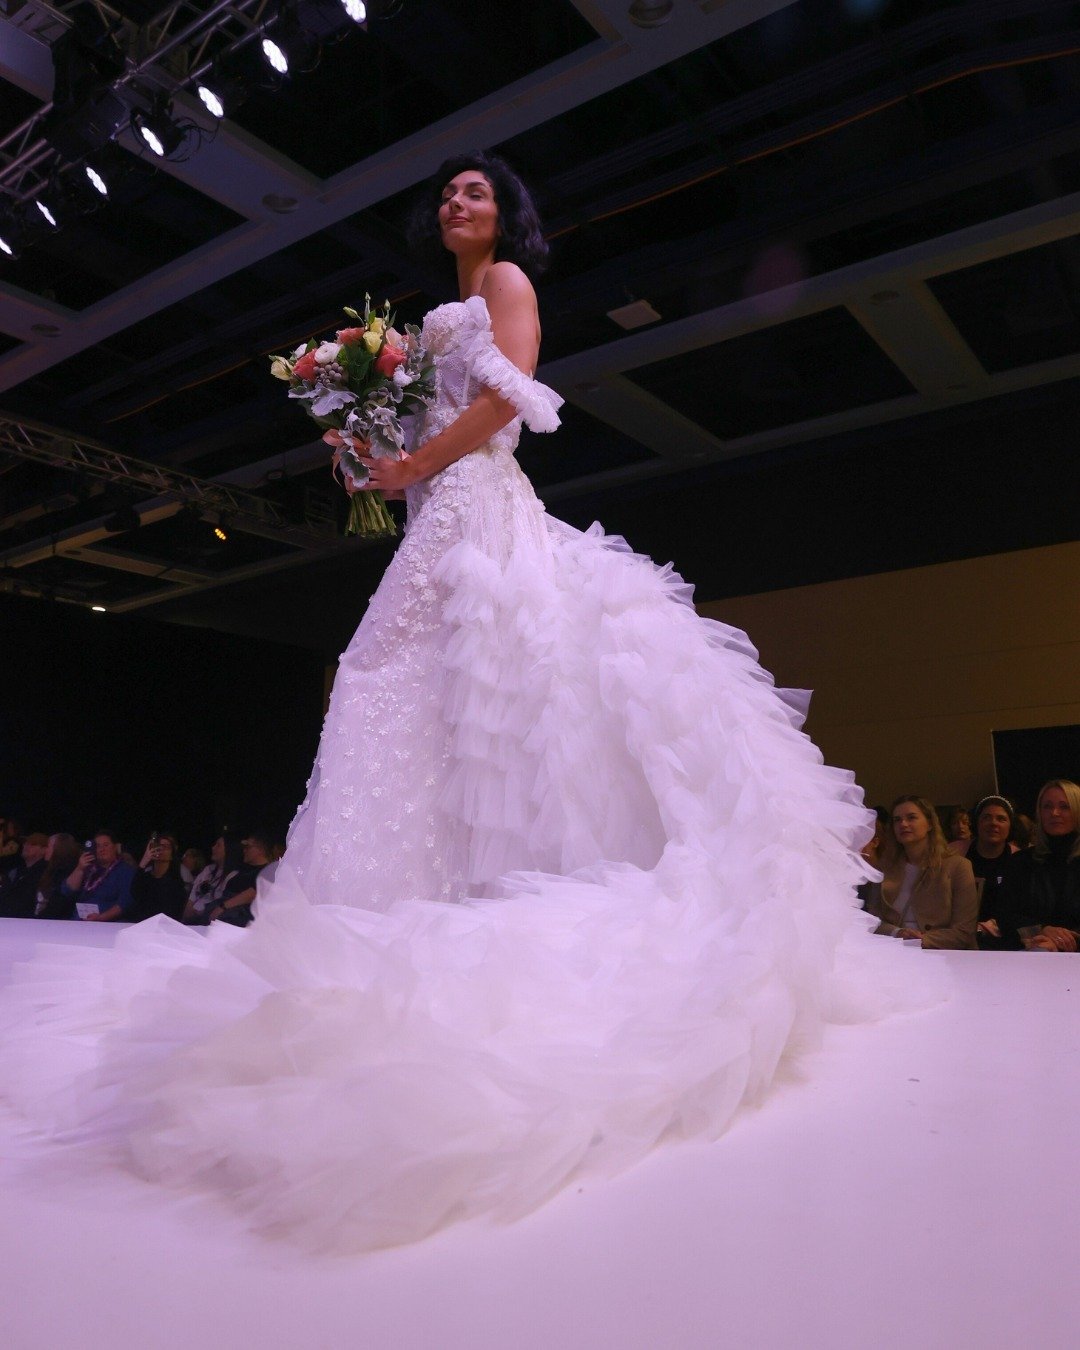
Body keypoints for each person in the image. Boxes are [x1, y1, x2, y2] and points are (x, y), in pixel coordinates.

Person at [0, 152, 936, 1254]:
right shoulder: (435, 310)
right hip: (437, 505)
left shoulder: (507, 290)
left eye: (478, 192)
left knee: (423, 672)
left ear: (508, 216)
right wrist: (371, 445)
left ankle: (480, 888)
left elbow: (509, 404)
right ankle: (415, 891)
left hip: (477, 504)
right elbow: (435, 418)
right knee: (423, 687)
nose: (458, 202)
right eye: (447, 193)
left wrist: (413, 467)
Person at [867, 795, 978, 949]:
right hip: (893, 952)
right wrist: (896, 933)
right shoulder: (883, 868)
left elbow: (964, 932)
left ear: (930, 824)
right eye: (897, 820)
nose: (903, 824)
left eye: (911, 818)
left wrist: (918, 941)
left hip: (944, 954)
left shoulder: (958, 866)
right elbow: (871, 920)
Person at [998, 779, 1080, 951]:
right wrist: (1042, 930)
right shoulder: (1020, 862)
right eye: (1047, 806)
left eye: (1064, 806)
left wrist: (1059, 943)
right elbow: (1005, 915)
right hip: (1031, 951)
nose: (1055, 813)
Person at [967, 796, 1019, 949]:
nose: (993, 823)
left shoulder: (1019, 859)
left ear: (1010, 826)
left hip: (1006, 940)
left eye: (1001, 819)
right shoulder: (956, 853)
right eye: (986, 817)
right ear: (977, 822)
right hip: (962, 939)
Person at [59, 829, 136, 921]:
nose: (101, 849)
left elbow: (124, 903)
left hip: (106, 924)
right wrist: (79, 869)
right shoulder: (88, 868)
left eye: (106, 845)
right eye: (98, 846)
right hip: (79, 922)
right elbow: (66, 890)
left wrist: (100, 918)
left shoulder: (125, 871)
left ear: (115, 847)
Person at [128, 833, 188, 924]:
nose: (161, 849)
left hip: (165, 928)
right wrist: (144, 861)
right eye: (158, 846)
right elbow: (134, 892)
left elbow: (174, 912)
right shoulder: (145, 877)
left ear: (172, 855)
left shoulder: (175, 882)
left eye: (166, 847)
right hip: (142, 925)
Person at [182, 834, 242, 925]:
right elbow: (193, 894)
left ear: (229, 850)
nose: (213, 848)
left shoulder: (233, 876)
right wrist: (187, 914)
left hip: (208, 921)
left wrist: (200, 913)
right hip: (192, 918)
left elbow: (221, 902)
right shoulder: (208, 870)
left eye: (218, 845)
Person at [0, 833, 49, 919]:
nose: (26, 846)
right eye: (26, 843)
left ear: (44, 850)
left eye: (33, 844)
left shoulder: (44, 873)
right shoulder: (15, 871)